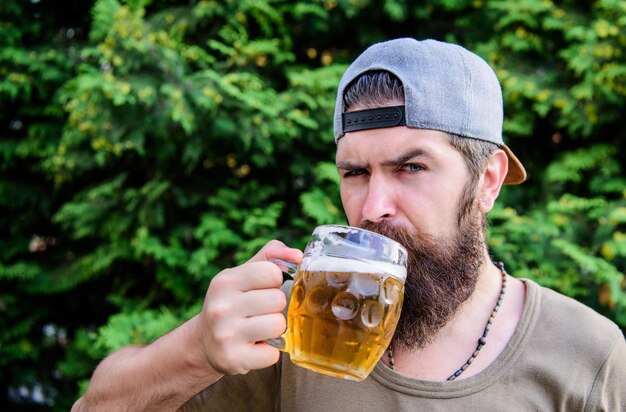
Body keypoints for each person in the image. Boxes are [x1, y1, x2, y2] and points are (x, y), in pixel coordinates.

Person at [73, 38, 625, 411]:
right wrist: (195, 347)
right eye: (354, 172)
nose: (372, 205)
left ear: (488, 181)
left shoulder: (588, 354)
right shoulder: (297, 321)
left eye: (411, 167)